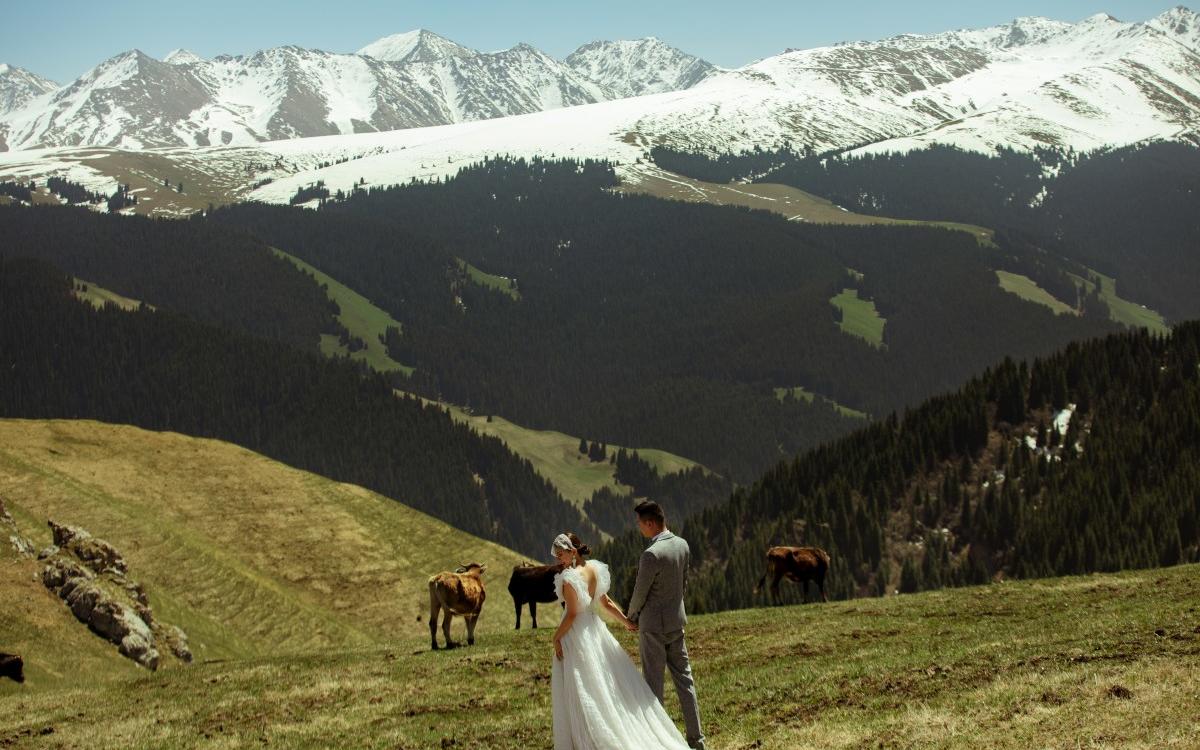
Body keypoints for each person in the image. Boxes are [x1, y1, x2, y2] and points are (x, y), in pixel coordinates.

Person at [550, 532, 690, 750]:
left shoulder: (569, 578)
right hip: (594, 628)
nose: (558, 558)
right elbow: (605, 603)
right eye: (556, 555)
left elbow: (572, 614)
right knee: (601, 682)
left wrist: (556, 637)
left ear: (573, 551)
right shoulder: (594, 569)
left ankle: (586, 738)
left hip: (576, 633)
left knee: (581, 685)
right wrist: (625, 621)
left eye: (561, 554)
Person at [627, 500, 706, 750]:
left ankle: (658, 743)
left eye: (640, 523)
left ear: (650, 523)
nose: (639, 528)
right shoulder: (682, 545)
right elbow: (683, 584)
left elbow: (640, 592)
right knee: (685, 681)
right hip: (676, 621)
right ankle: (697, 740)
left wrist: (631, 615)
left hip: (653, 627)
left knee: (653, 687)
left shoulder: (651, 555)